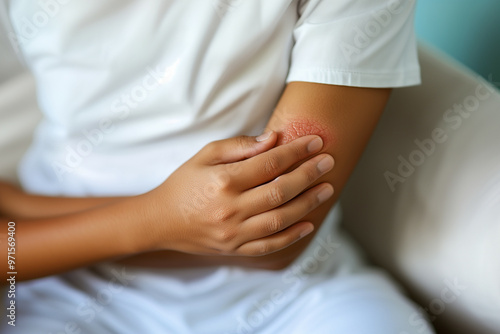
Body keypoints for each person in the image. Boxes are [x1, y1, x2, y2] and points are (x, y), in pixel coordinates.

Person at [0, 0, 434, 333]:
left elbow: (275, 237)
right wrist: (160, 218)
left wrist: (20, 208)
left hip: (294, 295)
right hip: (61, 287)